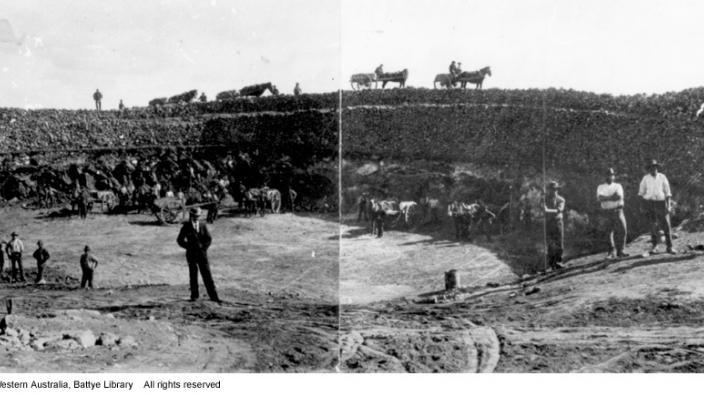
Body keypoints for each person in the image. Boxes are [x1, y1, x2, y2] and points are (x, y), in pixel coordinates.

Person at [177, 207, 221, 303]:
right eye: (195, 216)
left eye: (198, 216)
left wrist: (203, 247)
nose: (196, 218)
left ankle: (214, 296)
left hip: (202, 254)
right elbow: (180, 240)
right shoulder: (186, 227)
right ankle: (194, 295)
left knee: (207, 274)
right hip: (191, 254)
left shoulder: (203, 225)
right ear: (191, 216)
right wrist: (188, 247)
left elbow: (208, 239)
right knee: (193, 274)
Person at [638, 159, 676, 254]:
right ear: (649, 169)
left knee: (666, 225)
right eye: (651, 168)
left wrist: (668, 205)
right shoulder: (645, 178)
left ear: (657, 168)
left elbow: (667, 192)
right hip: (650, 203)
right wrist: (642, 205)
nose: (653, 169)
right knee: (653, 225)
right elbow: (641, 193)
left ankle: (670, 247)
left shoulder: (662, 177)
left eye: (654, 167)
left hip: (661, 203)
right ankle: (655, 246)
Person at [597, 168, 628, 259]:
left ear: (614, 176)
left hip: (618, 211)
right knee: (608, 232)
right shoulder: (601, 187)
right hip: (607, 212)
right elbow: (600, 198)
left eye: (611, 175)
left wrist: (606, 198)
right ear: (604, 176)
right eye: (608, 175)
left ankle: (621, 251)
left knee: (622, 230)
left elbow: (618, 197)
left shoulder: (618, 186)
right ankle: (611, 252)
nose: (610, 177)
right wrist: (611, 197)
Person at [543, 181, 565, 271]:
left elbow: (559, 210)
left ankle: (558, 262)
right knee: (550, 243)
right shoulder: (545, 199)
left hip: (558, 222)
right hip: (549, 222)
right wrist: (543, 205)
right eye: (552, 189)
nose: (554, 191)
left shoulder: (561, 199)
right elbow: (542, 208)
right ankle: (551, 264)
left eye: (555, 189)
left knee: (559, 242)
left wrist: (547, 210)